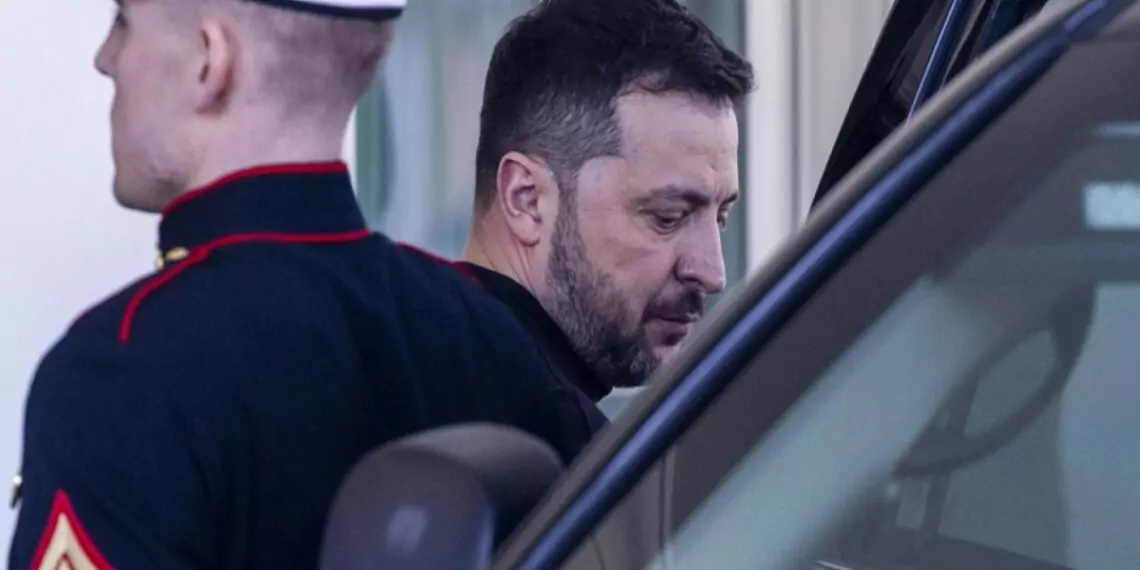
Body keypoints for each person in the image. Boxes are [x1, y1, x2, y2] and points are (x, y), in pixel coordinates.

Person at [8, 1, 587, 568]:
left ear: (210, 60)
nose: (106, 59)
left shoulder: (120, 376)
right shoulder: (487, 337)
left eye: (123, 21)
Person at [460, 0, 754, 417]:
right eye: (668, 217)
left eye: (721, 218)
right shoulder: (540, 438)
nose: (712, 273)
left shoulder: (418, 366)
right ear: (527, 199)